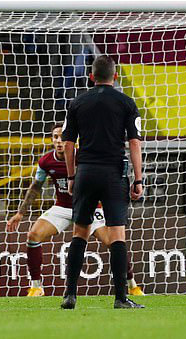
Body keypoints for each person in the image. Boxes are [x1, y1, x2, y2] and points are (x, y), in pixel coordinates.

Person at [6, 123, 144, 297]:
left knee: (113, 242)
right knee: (33, 235)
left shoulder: (84, 157)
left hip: (90, 206)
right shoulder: (45, 161)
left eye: (63, 138)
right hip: (63, 207)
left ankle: (132, 285)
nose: (59, 141)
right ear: (51, 140)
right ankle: (36, 287)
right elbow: (35, 187)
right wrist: (20, 213)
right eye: (55, 137)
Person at [60, 55, 144, 309]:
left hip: (85, 172)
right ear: (115, 77)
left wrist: (72, 176)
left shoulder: (77, 102)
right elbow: (134, 143)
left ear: (91, 77)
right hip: (113, 173)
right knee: (117, 234)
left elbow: (67, 144)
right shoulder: (126, 103)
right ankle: (120, 298)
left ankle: (70, 295)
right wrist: (138, 179)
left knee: (80, 232)